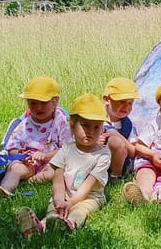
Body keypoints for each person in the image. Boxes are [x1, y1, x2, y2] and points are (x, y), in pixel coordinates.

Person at [16, 93, 111, 236]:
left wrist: (71, 203)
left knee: (80, 211)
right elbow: (58, 179)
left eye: (97, 127)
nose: (91, 131)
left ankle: (70, 224)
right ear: (72, 126)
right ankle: (39, 226)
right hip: (64, 195)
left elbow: (88, 184)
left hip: (90, 197)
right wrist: (59, 199)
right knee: (54, 209)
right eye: (85, 125)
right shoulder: (66, 149)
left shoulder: (103, 155)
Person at [0, 76, 72, 198]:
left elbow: (67, 149)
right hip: (28, 162)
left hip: (51, 162)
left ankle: (33, 180)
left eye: (43, 103)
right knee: (15, 168)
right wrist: (20, 154)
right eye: (33, 103)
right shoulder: (25, 123)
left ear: (55, 101)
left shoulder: (61, 122)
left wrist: (46, 155)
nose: (38, 107)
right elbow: (11, 147)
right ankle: (5, 189)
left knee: (57, 172)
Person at [100, 77, 140, 180]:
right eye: (121, 102)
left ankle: (115, 177)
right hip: (97, 160)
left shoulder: (128, 125)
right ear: (107, 100)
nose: (126, 107)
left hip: (120, 164)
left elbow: (134, 152)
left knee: (117, 142)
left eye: (130, 103)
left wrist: (118, 135)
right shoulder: (97, 121)